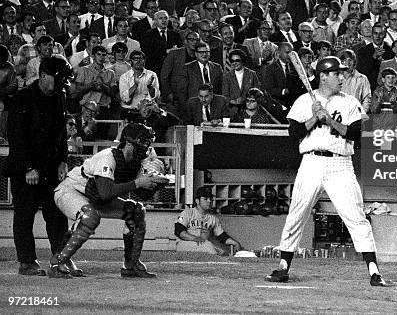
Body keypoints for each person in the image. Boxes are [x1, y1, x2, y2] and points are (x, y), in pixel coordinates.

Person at [266, 56, 387, 287]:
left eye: (342, 74)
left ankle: (374, 271)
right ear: (323, 76)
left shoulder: (350, 102)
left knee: (356, 217)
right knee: (297, 213)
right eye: (336, 74)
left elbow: (355, 134)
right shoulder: (304, 101)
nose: (342, 77)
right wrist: (314, 118)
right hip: (311, 162)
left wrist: (329, 120)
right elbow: (294, 133)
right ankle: (283, 267)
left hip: (340, 164)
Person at [49, 123, 168, 278]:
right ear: (130, 143)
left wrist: (155, 183)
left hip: (95, 196)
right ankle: (58, 262)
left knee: (137, 211)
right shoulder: (108, 157)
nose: (147, 147)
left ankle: (131, 265)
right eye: (144, 142)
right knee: (90, 216)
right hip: (72, 190)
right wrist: (138, 182)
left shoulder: (135, 162)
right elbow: (106, 193)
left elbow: (142, 195)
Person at [4, 55, 73, 276]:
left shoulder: (59, 97)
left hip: (52, 167)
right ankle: (27, 262)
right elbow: (16, 137)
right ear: (43, 76)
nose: (62, 84)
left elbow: (61, 134)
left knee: (57, 216)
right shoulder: (21, 99)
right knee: (24, 215)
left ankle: (61, 259)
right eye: (58, 79)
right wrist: (28, 167)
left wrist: (63, 160)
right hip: (26, 171)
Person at [175, 186, 243, 254]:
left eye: (211, 199)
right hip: (185, 244)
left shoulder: (213, 218)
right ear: (197, 201)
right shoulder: (187, 213)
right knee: (209, 247)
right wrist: (195, 238)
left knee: (222, 252)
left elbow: (222, 237)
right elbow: (178, 231)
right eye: (205, 199)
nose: (209, 201)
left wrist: (236, 243)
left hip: (202, 244)